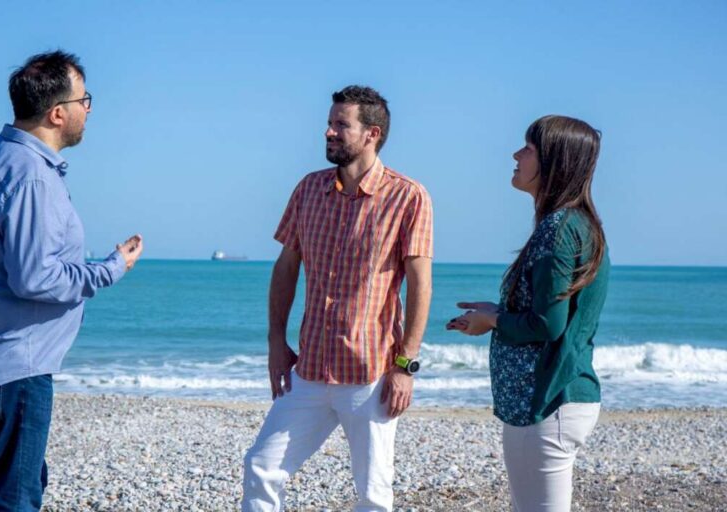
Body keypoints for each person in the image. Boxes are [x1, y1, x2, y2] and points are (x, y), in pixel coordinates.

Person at [0, 50, 143, 511]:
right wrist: (111, 268)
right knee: (16, 499)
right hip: (13, 364)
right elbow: (34, 277)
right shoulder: (31, 177)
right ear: (57, 113)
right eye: (85, 100)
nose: (89, 110)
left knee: (18, 486)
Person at [242, 85, 433, 512]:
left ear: (372, 134)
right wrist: (276, 341)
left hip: (370, 374)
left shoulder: (408, 196)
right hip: (309, 369)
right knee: (261, 466)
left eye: (340, 125)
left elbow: (421, 285)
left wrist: (406, 365)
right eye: (329, 123)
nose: (328, 132)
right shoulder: (308, 189)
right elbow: (286, 268)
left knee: (373, 495)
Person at [446, 115, 609, 512]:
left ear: (554, 162)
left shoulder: (559, 229)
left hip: (548, 401)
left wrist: (493, 320)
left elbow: (547, 325)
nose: (516, 155)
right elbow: (550, 315)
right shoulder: (575, 224)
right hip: (551, 401)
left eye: (529, 149)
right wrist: (496, 312)